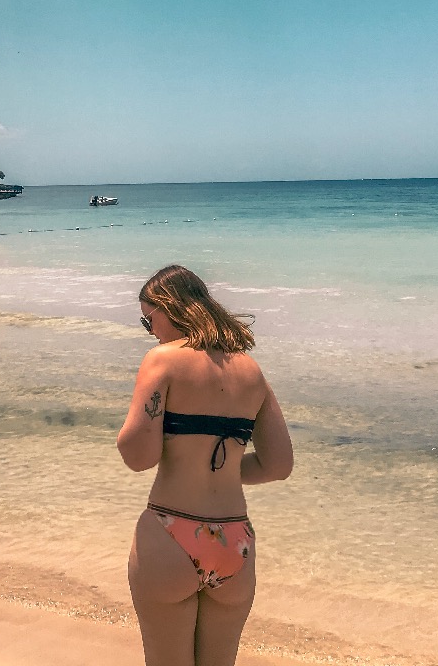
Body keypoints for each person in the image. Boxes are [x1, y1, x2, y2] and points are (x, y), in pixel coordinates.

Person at [118, 264, 294, 666]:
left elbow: (139, 457)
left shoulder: (162, 361)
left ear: (168, 307)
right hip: (234, 542)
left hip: (171, 533)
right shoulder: (250, 371)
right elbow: (278, 465)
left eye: (149, 320)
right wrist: (226, 470)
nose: (151, 331)